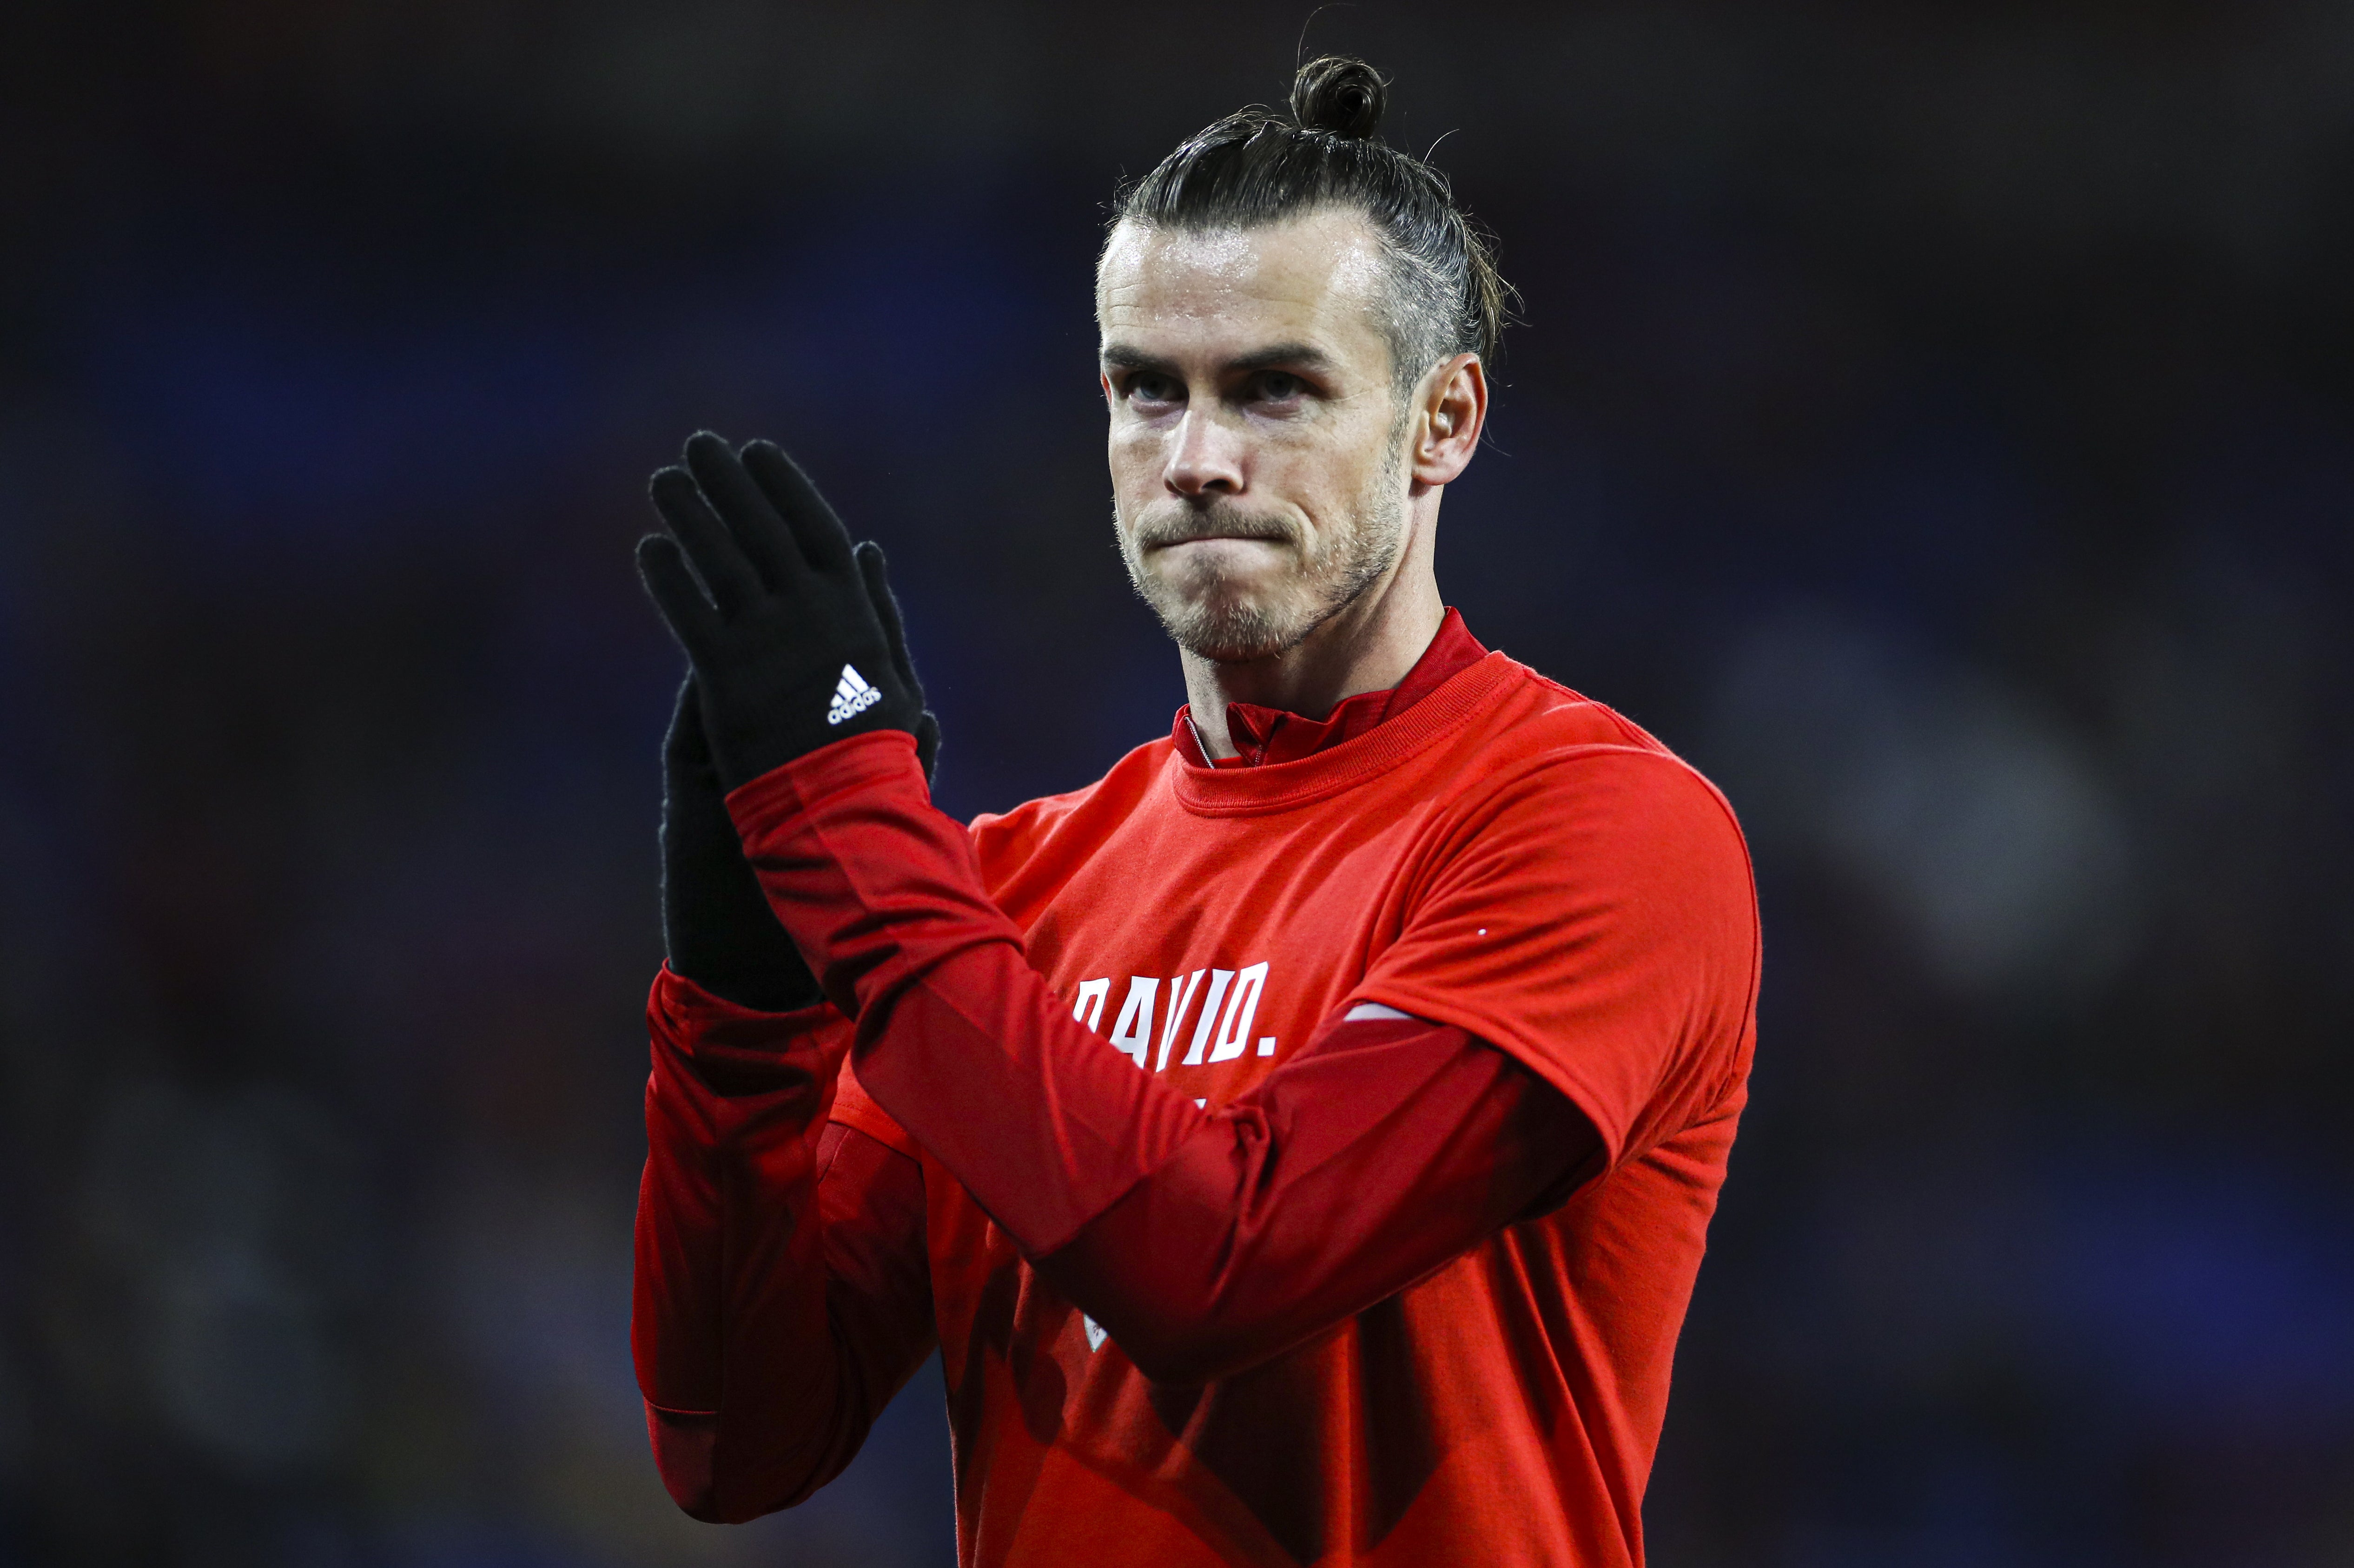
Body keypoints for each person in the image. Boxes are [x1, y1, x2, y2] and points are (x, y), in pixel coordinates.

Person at [630, 55, 1759, 1568]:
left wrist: (843, 824)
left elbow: (1225, 1264)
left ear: (1444, 421)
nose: (1198, 460)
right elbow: (737, 1445)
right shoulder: (1007, 887)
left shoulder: (1600, 828)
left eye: (1276, 389)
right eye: (1145, 389)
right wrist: (743, 1020)